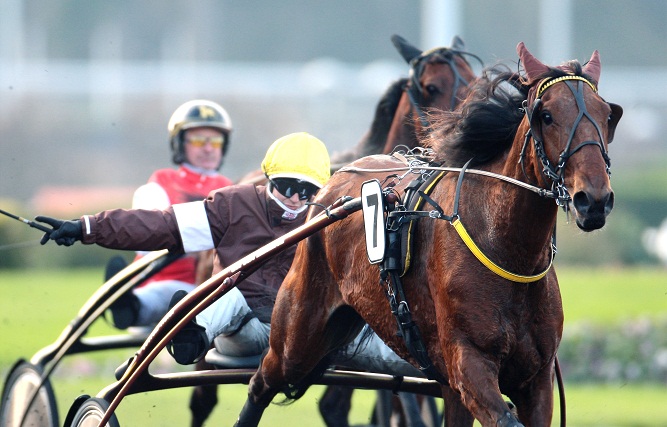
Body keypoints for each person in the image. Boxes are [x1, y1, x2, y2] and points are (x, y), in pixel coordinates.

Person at [36, 132, 423, 378]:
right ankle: (191, 332)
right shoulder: (230, 206)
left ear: (319, 192)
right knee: (231, 290)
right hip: (244, 333)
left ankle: (440, 362)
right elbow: (160, 226)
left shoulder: (328, 217)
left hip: (313, 337)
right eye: (286, 186)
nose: (294, 199)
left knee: (399, 349)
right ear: (269, 178)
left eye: (306, 191)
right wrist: (86, 227)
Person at [108, 99, 235, 329]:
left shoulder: (231, 189)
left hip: (213, 286)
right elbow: (146, 245)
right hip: (166, 282)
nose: (208, 148)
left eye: (215, 140)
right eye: (199, 140)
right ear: (180, 143)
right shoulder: (160, 185)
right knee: (173, 294)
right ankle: (129, 307)